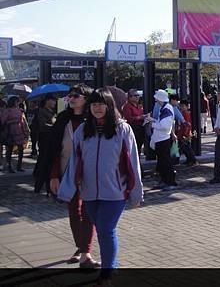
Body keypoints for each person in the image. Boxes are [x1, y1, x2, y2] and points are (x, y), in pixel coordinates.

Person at [57, 88, 143, 285]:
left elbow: (133, 164)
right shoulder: (83, 130)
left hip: (115, 192)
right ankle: (110, 264)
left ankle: (106, 274)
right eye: (94, 104)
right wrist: (67, 190)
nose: (97, 108)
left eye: (101, 104)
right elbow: (74, 163)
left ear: (109, 105)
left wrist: (136, 193)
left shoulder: (122, 129)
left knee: (105, 228)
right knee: (103, 229)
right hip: (89, 193)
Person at [48, 84, 99, 268]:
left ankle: (85, 252)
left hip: (89, 173)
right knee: (74, 212)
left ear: (86, 99)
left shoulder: (93, 120)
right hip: (66, 170)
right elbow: (53, 150)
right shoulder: (63, 120)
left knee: (88, 211)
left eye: (76, 95)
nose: (72, 98)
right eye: (70, 95)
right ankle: (81, 247)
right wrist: (54, 175)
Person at [149, 90, 177, 190]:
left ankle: (170, 182)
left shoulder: (167, 109)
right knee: (162, 162)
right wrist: (153, 121)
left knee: (166, 162)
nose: (156, 101)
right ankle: (165, 180)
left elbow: (165, 126)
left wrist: (153, 124)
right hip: (161, 139)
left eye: (157, 99)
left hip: (163, 139)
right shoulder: (165, 108)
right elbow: (163, 124)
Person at [33, 95, 57, 193]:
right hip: (45, 138)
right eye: (53, 101)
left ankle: (43, 182)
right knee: (44, 160)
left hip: (51, 139)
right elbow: (43, 126)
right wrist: (54, 127)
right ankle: (39, 183)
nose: (54, 103)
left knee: (45, 161)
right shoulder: (42, 111)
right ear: (48, 101)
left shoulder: (52, 112)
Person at [2, 96, 30, 173]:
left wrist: (25, 131)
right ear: (14, 102)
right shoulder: (7, 111)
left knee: (20, 149)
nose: (18, 103)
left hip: (19, 131)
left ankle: (19, 166)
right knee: (10, 149)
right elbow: (3, 121)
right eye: (17, 101)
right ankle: (10, 166)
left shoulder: (20, 110)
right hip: (10, 131)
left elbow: (23, 122)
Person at [121, 89, 145, 157]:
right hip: (133, 130)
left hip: (140, 130)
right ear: (130, 97)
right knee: (134, 149)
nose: (138, 97)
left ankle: (138, 164)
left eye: (138, 95)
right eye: (135, 95)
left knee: (139, 148)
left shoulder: (138, 106)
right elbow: (128, 119)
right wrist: (140, 117)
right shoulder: (127, 107)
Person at [175, 99, 197, 166]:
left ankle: (193, 160)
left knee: (187, 148)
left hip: (185, 133)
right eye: (180, 106)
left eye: (183, 106)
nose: (181, 107)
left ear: (187, 106)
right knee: (184, 148)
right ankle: (189, 159)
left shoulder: (186, 114)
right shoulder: (182, 113)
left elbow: (188, 125)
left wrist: (186, 133)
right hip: (181, 133)